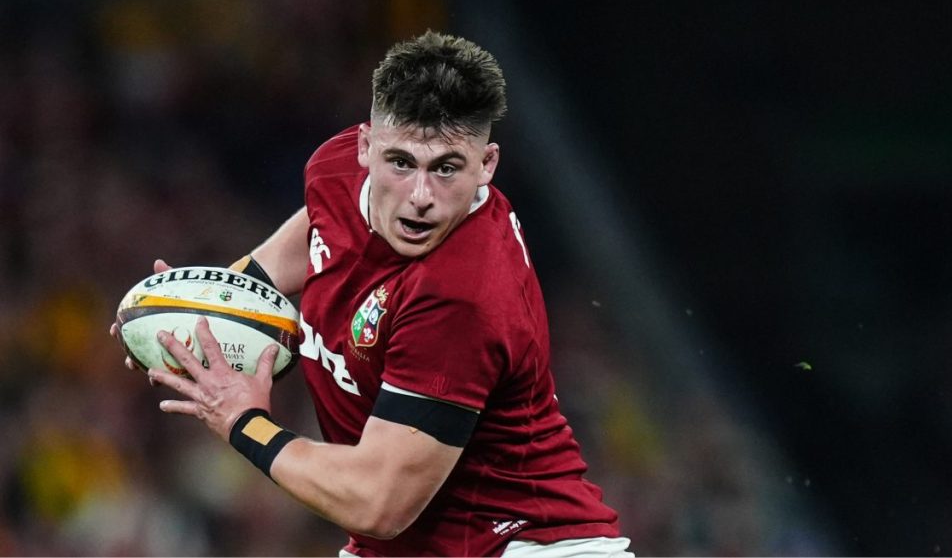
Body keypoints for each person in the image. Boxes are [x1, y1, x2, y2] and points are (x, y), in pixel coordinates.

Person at [114, 30, 633, 557]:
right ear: (364, 146)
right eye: (401, 163)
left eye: (447, 168)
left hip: (520, 546)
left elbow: (378, 503)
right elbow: (321, 230)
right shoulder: (334, 169)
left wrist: (242, 422)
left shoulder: (462, 294)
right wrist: (200, 313)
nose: (420, 197)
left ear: (488, 164)